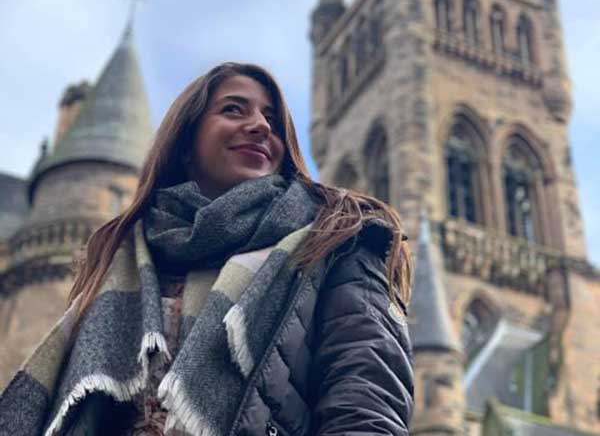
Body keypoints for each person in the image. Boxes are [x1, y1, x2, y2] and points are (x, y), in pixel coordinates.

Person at [0, 62, 414, 436]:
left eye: (272, 120)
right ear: (186, 142)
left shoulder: (337, 240)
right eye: (234, 109)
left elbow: (366, 403)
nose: (260, 126)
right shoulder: (123, 256)